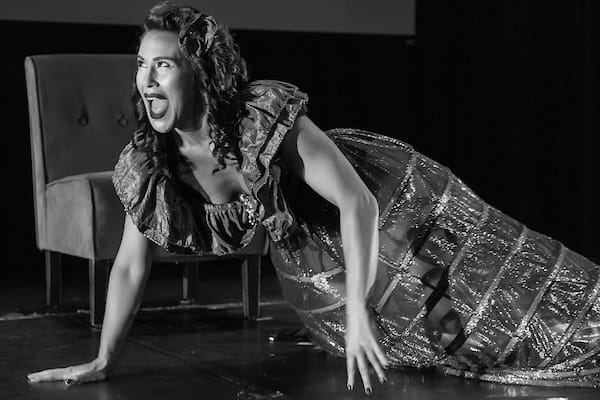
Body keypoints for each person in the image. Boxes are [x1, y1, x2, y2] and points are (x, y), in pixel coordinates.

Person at [27, 0, 600, 393]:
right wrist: (104, 360)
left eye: (164, 66)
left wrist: (356, 309)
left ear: (198, 73)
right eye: (141, 66)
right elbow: (130, 264)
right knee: (454, 342)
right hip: (314, 255)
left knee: (487, 288)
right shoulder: (152, 165)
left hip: (387, 205)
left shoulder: (259, 118)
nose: (147, 81)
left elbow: (360, 204)